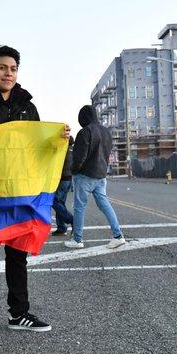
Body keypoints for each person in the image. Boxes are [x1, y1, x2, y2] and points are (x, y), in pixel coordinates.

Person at [0, 45, 52, 337]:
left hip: (22, 193)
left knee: (19, 255)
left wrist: (58, 138)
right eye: (2, 68)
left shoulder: (27, 106)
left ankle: (19, 313)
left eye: (13, 69)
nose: (8, 73)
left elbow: (39, 146)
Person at [64, 105, 125, 250]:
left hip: (85, 175)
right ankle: (118, 236)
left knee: (79, 207)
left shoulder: (85, 132)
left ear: (83, 117)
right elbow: (107, 153)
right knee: (105, 204)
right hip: (101, 175)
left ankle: (77, 239)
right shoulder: (106, 132)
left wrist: (74, 170)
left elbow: (80, 156)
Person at [52, 136, 74, 236]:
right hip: (68, 180)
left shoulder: (64, 152)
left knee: (55, 202)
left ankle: (72, 220)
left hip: (63, 180)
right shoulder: (71, 151)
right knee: (60, 203)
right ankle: (61, 227)